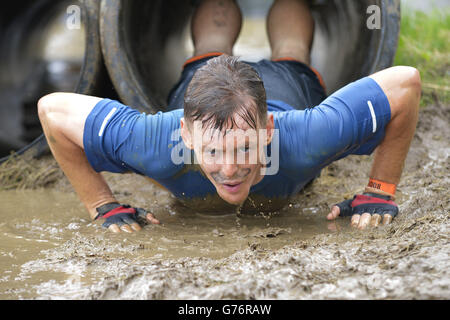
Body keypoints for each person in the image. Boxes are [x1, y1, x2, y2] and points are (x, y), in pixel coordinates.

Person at [37, 0, 420, 233]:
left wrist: (379, 192)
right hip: (207, 80)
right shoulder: (152, 141)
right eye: (214, 152)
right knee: (210, 48)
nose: (231, 168)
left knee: (292, 50)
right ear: (185, 135)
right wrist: (102, 205)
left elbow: (405, 83)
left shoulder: (309, 135)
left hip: (284, 86)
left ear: (267, 131)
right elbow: (52, 111)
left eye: (243, 148)